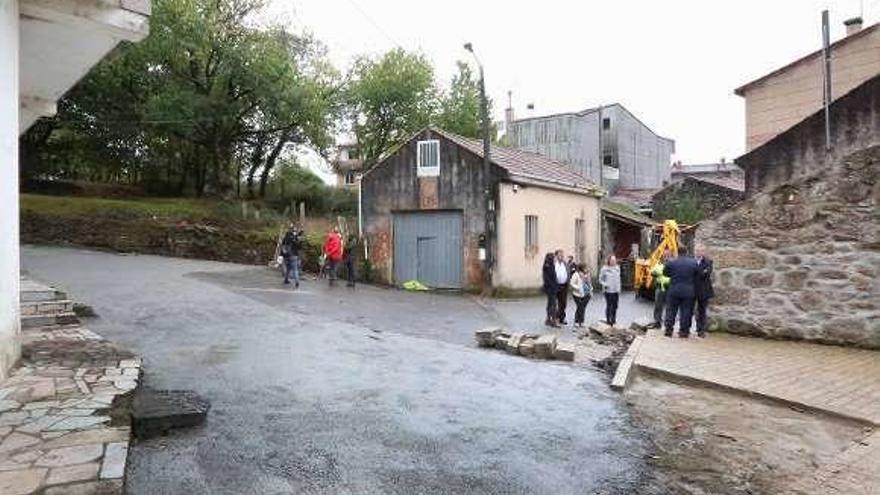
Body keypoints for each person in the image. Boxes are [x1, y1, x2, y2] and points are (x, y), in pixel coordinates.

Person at [663, 245, 700, 338]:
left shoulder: (671, 262)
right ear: (686, 252)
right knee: (686, 311)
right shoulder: (693, 263)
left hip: (674, 290)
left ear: (677, 252)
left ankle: (668, 329)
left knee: (671, 310)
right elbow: (697, 275)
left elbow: (665, 273)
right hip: (688, 291)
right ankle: (684, 331)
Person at [694, 243, 714, 338]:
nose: (699, 253)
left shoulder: (708, 261)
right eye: (698, 250)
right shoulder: (691, 261)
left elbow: (705, 274)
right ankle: (686, 329)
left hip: (703, 290)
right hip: (692, 289)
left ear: (704, 252)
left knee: (702, 311)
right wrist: (701, 272)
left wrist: (698, 272)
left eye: (701, 251)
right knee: (689, 310)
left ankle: (701, 330)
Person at [649, 250, 672, 328]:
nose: (666, 257)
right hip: (659, 287)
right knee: (658, 305)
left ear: (670, 256)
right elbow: (652, 272)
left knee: (670, 306)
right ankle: (657, 322)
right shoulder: (659, 264)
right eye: (665, 256)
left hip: (669, 287)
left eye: (668, 255)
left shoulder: (673, 264)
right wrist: (654, 273)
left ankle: (668, 323)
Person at [599, 255, 621, 327]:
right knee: (609, 305)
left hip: (616, 290)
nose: (613, 262)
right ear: (609, 261)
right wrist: (605, 284)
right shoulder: (604, 269)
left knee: (615, 306)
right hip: (608, 290)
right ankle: (609, 320)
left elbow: (618, 279)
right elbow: (600, 279)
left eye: (614, 260)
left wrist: (619, 288)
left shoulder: (617, 268)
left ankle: (613, 319)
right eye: (612, 260)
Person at [569, 263, 592, 328]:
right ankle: (576, 321)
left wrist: (590, 288)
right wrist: (578, 288)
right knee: (580, 307)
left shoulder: (587, 274)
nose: (587, 269)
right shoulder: (576, 274)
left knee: (583, 308)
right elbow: (572, 283)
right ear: (582, 268)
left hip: (586, 293)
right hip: (577, 294)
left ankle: (582, 321)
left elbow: (589, 283)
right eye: (585, 268)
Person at [541, 252, 560, 327]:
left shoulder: (550, 265)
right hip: (550, 289)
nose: (555, 259)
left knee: (550, 304)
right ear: (551, 259)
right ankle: (553, 320)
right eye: (554, 258)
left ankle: (548, 319)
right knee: (553, 305)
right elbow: (548, 279)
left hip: (552, 288)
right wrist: (554, 287)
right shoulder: (547, 266)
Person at [554, 250, 571, 324]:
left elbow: (568, 272)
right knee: (555, 303)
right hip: (556, 285)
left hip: (564, 285)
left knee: (563, 303)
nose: (561, 256)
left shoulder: (565, 264)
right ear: (556, 256)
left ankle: (562, 318)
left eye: (562, 255)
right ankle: (555, 317)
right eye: (560, 255)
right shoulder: (554, 264)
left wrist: (568, 281)